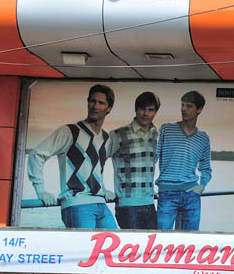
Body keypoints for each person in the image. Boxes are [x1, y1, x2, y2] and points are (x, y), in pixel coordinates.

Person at [26, 84, 117, 228]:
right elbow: (36, 155)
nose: (95, 106)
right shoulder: (69, 132)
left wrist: (103, 189)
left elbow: (94, 169)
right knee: (84, 244)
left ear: (109, 108)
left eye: (101, 103)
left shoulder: (106, 138)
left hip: (100, 203)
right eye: (92, 101)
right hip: (77, 204)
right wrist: (41, 190)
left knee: (115, 242)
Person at [156, 90, 212, 231]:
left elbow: (206, 168)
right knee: (162, 237)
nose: (183, 109)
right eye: (182, 105)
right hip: (167, 194)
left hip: (191, 195)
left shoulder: (203, 138)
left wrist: (201, 186)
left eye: (189, 106)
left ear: (199, 110)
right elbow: (152, 158)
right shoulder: (167, 129)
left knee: (191, 239)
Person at [107, 91, 160, 229]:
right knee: (132, 244)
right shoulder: (118, 134)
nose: (146, 114)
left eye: (150, 110)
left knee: (151, 244)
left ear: (155, 112)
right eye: (142, 109)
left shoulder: (156, 135)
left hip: (149, 204)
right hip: (127, 206)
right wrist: (102, 189)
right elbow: (97, 161)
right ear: (136, 110)